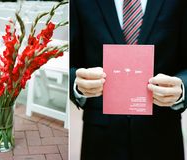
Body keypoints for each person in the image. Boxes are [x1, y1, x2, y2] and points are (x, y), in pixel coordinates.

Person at [70, 0, 187, 160]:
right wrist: (76, 84)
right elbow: (70, 62)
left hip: (162, 132)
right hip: (101, 137)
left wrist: (183, 87)